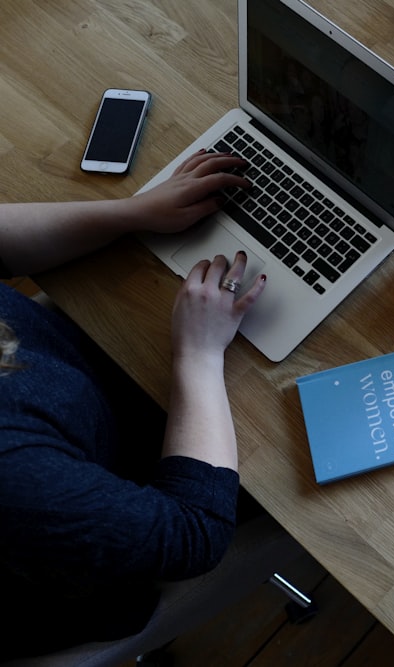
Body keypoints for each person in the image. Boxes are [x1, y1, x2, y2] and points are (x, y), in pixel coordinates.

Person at [0, 150, 266, 657]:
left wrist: (132, 212)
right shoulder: (15, 480)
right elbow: (196, 531)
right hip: (121, 535)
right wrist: (199, 355)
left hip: (82, 387)